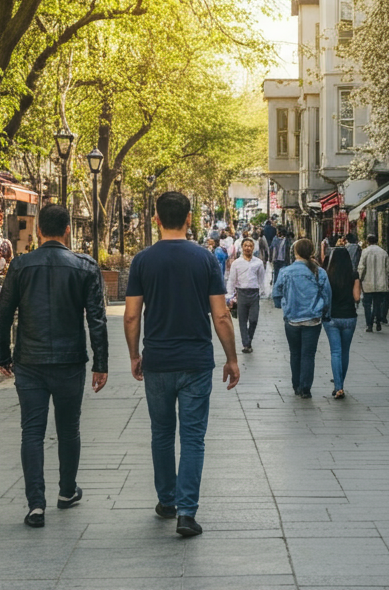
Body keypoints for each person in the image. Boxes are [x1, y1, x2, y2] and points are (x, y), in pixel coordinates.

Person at [124, 191, 240, 538]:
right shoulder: (205, 259)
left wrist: (134, 354)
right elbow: (221, 315)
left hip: (157, 360)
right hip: (195, 361)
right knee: (193, 437)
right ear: (189, 218)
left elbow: (131, 316)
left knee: (161, 434)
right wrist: (232, 358)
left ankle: (166, 500)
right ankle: (187, 513)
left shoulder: (142, 261)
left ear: (156, 218)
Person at [0, 204, 109, 528]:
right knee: (68, 428)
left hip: (29, 360)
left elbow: (2, 315)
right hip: (70, 361)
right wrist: (101, 363)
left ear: (39, 230)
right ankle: (67, 491)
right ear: (68, 230)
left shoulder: (21, 265)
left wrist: (2, 355)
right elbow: (97, 320)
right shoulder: (84, 266)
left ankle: (35, 504)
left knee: (32, 431)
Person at [271, 238, 330, 400]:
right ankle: (305, 389)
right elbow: (327, 295)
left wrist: (282, 304)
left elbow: (276, 293)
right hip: (313, 320)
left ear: (295, 252)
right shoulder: (319, 272)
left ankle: (296, 385)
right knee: (308, 355)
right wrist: (325, 312)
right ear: (312, 252)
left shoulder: (285, 271)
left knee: (295, 353)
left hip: (292, 319)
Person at [322, 247, 360, 400]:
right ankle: (340, 384)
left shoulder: (327, 275)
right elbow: (357, 297)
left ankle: (339, 387)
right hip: (349, 317)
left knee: (335, 352)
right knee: (345, 352)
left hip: (332, 318)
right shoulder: (353, 274)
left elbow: (324, 296)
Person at [226, 238, 267, 354]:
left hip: (254, 294)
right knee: (242, 321)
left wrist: (262, 291)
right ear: (242, 247)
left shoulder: (258, 263)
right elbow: (232, 280)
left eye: (250, 246)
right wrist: (229, 296)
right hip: (242, 293)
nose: (248, 248)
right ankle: (246, 344)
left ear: (253, 248)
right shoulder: (236, 263)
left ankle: (249, 338)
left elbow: (261, 279)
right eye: (245, 245)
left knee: (253, 319)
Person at [357, 234, 389, 332]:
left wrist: (359, 280)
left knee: (367, 304)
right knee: (377, 304)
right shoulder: (383, 253)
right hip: (381, 283)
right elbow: (388, 270)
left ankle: (369, 324)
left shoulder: (365, 252)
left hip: (368, 283)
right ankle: (377, 321)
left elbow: (361, 268)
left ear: (368, 241)